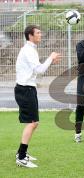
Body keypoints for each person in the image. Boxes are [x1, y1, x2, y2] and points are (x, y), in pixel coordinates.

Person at [15, 25, 61, 168]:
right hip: (25, 90)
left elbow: (37, 69)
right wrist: (51, 57)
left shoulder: (30, 49)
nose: (41, 35)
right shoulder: (28, 50)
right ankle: (21, 157)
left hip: (28, 89)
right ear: (30, 35)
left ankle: (21, 153)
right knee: (33, 123)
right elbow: (39, 70)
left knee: (34, 123)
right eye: (38, 33)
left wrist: (50, 60)